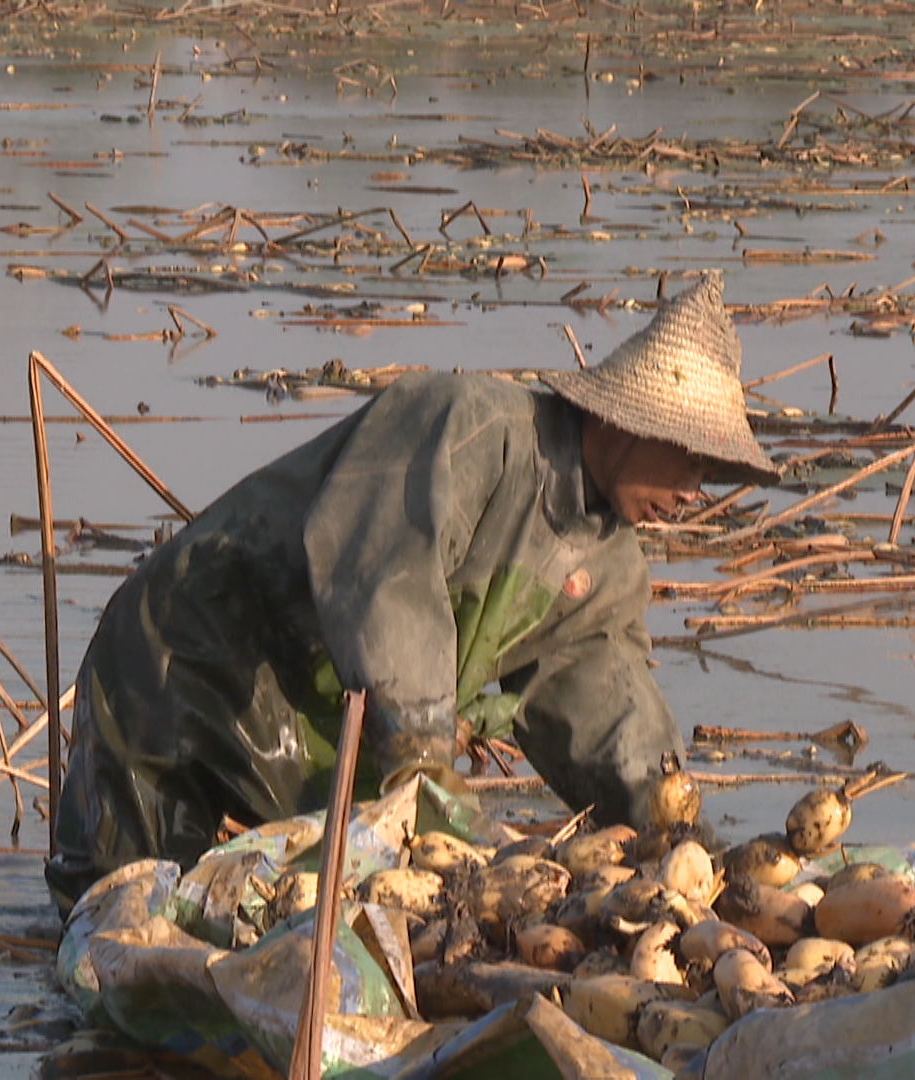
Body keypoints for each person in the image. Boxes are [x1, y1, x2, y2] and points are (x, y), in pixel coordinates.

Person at [46, 270, 779, 914]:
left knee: (257, 923)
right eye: (687, 460)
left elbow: (611, 716)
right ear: (627, 421)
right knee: (121, 914)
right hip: (183, 658)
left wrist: (686, 847)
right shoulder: (470, 427)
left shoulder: (608, 572)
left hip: (303, 724)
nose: (692, 494)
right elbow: (386, 582)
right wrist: (426, 756)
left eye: (708, 474)